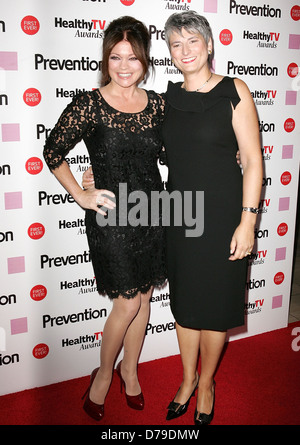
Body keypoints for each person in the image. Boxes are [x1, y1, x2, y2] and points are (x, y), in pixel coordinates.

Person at [43, 16, 167, 421]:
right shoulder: (89, 103)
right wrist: (80, 193)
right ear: (105, 58)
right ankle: (103, 375)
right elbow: (53, 152)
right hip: (112, 216)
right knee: (127, 301)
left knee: (145, 296)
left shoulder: (159, 105)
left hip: (152, 211)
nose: (125, 65)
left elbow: (176, 153)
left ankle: (129, 371)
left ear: (145, 59)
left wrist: (231, 155)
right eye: (116, 56)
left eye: (133, 57)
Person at [161, 11, 263, 425]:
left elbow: (253, 161)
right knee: (186, 303)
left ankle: (206, 384)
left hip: (223, 215)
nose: (185, 51)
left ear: (208, 45)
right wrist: (96, 171)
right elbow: (131, 147)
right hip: (179, 214)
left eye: (192, 42)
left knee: (216, 304)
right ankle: (187, 379)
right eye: (175, 44)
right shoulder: (164, 100)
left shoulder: (234, 90)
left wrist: (248, 221)